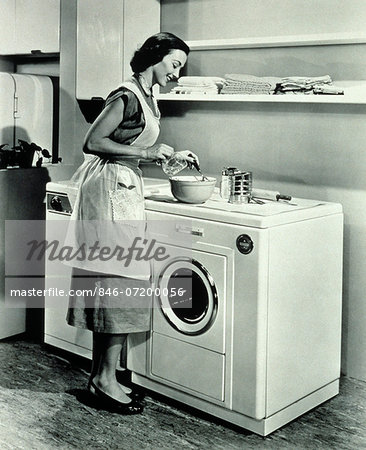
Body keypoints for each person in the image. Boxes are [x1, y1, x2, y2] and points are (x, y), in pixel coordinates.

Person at [65, 32, 197, 414]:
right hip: (107, 191)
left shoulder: (147, 96)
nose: (176, 74)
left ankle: (99, 377)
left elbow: (130, 148)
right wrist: (148, 151)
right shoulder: (125, 95)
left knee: (114, 283)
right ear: (154, 58)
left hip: (120, 188)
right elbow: (92, 142)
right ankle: (105, 381)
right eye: (174, 65)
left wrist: (165, 156)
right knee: (117, 285)